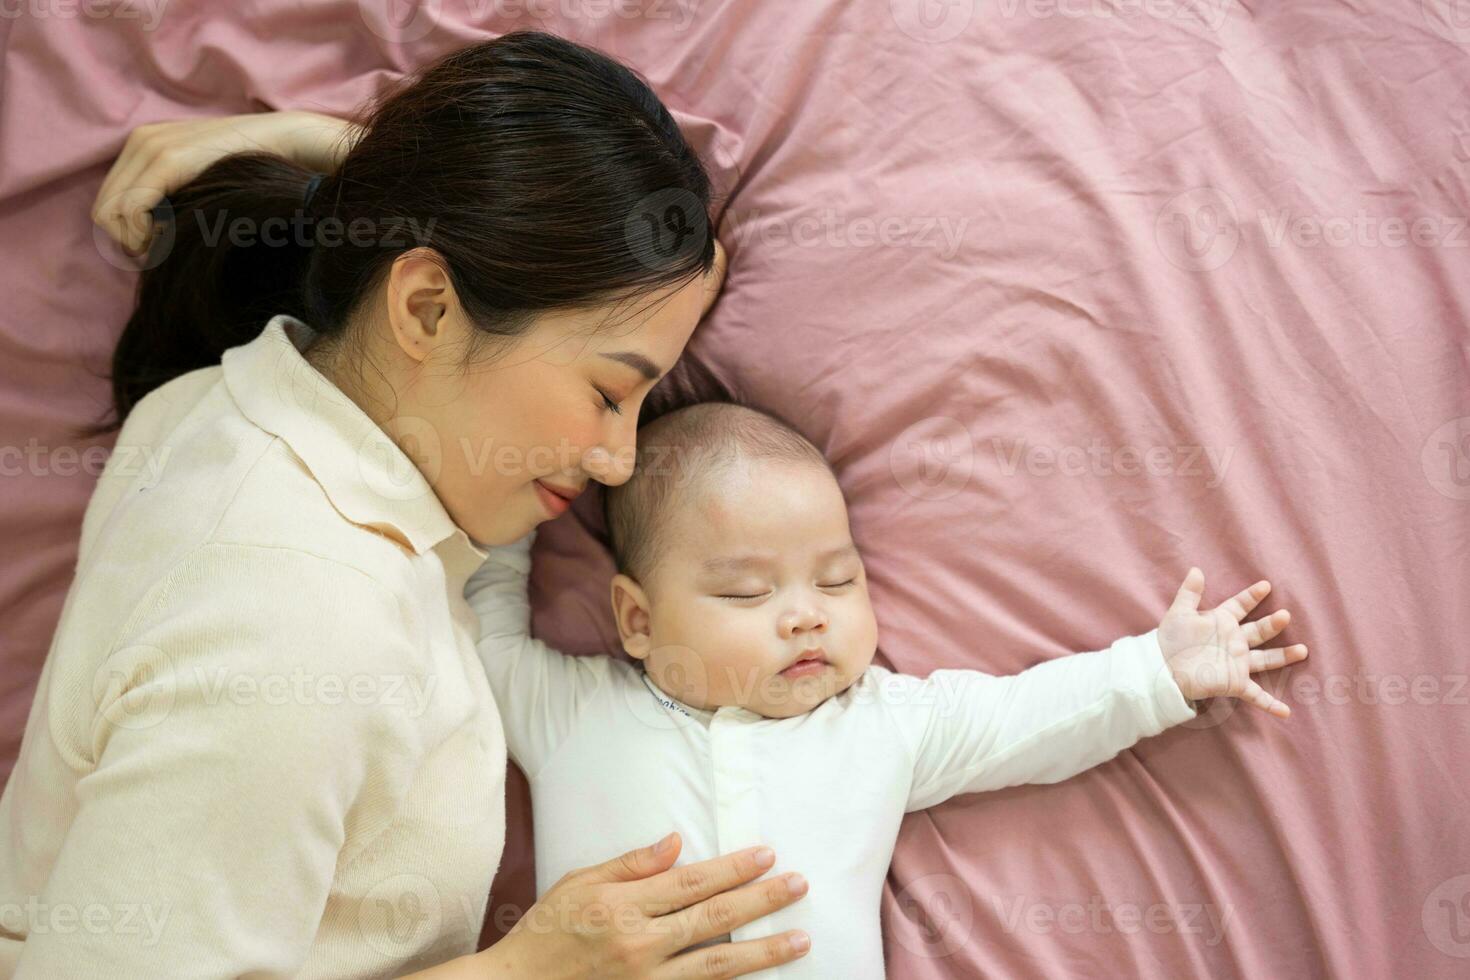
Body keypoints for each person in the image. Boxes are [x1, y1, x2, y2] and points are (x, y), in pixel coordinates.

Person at [0, 31, 813, 979]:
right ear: (425, 309)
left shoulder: (233, 400)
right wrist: (529, 970)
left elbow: (672, 268)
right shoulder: (295, 626)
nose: (621, 459)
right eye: (607, 392)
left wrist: (333, 163)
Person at [463, 401, 1312, 978]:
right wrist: (524, 480)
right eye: (748, 594)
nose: (805, 618)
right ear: (638, 621)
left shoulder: (880, 723)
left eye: (837, 582)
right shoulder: (571, 712)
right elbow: (481, 622)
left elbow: (1027, 719)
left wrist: (1158, 672)